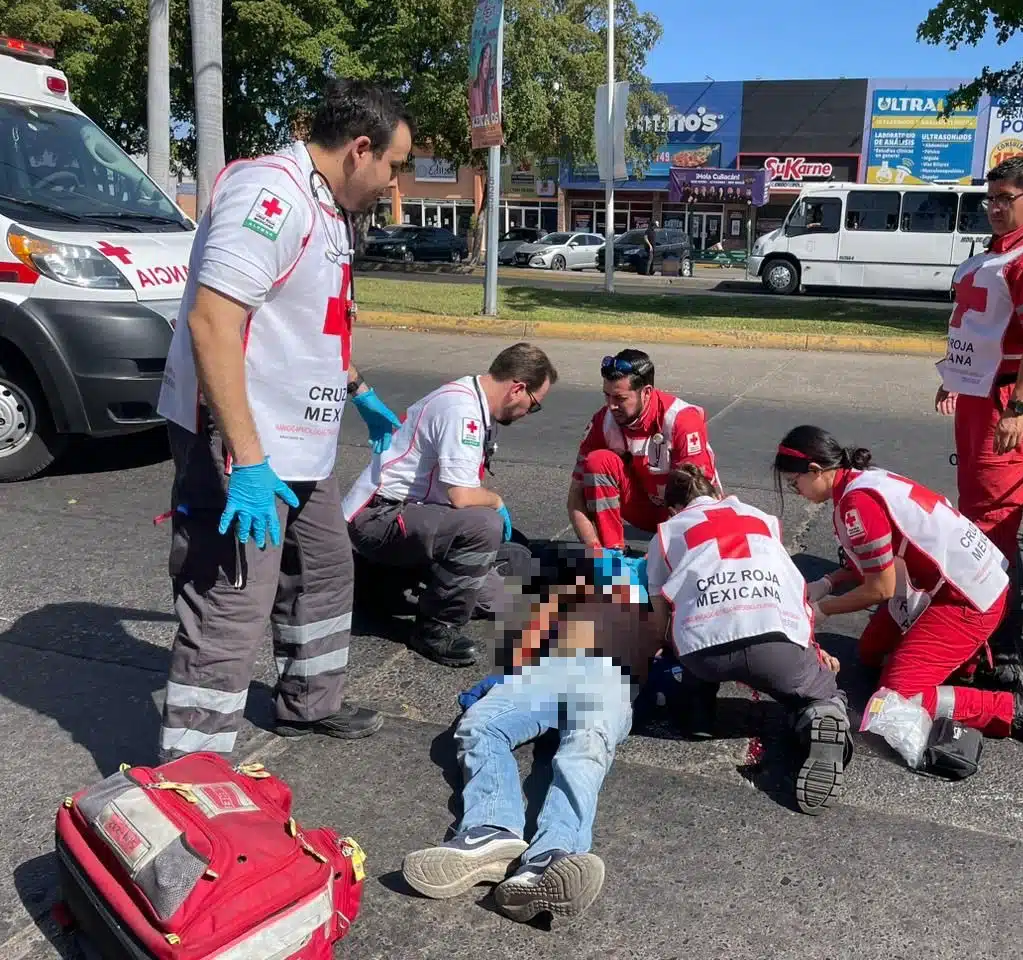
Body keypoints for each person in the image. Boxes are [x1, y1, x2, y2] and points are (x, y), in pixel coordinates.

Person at [153, 80, 413, 759]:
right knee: (231, 599)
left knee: (326, 569)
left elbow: (306, 327)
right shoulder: (270, 194)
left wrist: (358, 390)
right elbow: (214, 321)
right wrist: (247, 458)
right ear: (361, 149)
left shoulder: (327, 208)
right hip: (245, 442)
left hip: (303, 441)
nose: (393, 184)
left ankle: (307, 702)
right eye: (394, 166)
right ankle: (192, 772)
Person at [775, 426, 1023, 762]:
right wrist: (828, 582)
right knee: (871, 651)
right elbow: (878, 562)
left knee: (893, 702)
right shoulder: (865, 480)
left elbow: (881, 588)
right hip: (965, 582)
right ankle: (965, 663)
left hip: (965, 601)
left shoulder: (855, 504)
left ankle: (1020, 709)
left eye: (794, 482)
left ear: (815, 471)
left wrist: (822, 609)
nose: (796, 490)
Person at [400, 544, 663, 925]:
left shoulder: (663, 582)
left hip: (612, 670)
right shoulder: (584, 578)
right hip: (549, 666)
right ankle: (489, 831)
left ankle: (551, 857)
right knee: (481, 724)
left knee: (585, 745)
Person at [645, 465, 851, 814]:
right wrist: (812, 647)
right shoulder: (761, 519)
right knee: (823, 690)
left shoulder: (666, 533)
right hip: (773, 642)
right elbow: (791, 588)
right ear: (719, 495)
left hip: (704, 653)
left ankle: (698, 712)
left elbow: (659, 616)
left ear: (673, 509)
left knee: (687, 627)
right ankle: (820, 714)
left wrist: (666, 650)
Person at [343, 343, 558, 667]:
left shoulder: (477, 405)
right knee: (484, 526)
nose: (530, 412)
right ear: (518, 388)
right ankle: (435, 628)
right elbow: (462, 495)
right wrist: (496, 502)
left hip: (415, 512)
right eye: (535, 405)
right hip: (380, 515)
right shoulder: (463, 411)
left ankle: (378, 580)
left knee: (500, 597)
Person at [934, 156, 1023, 568]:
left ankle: (988, 613)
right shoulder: (998, 251)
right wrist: (955, 376)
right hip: (979, 393)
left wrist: (1019, 407)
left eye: (1005, 198)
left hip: (1007, 398)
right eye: (990, 199)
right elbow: (980, 324)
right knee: (975, 500)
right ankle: (971, 597)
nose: (995, 208)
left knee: (993, 514)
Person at [567, 349, 720, 556]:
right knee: (597, 462)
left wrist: (660, 556)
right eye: (606, 395)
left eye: (620, 398)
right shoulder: (602, 422)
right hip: (646, 508)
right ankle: (613, 553)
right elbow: (575, 496)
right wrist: (594, 550)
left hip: (689, 512)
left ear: (646, 392)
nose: (611, 406)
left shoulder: (682, 420)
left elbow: (698, 502)